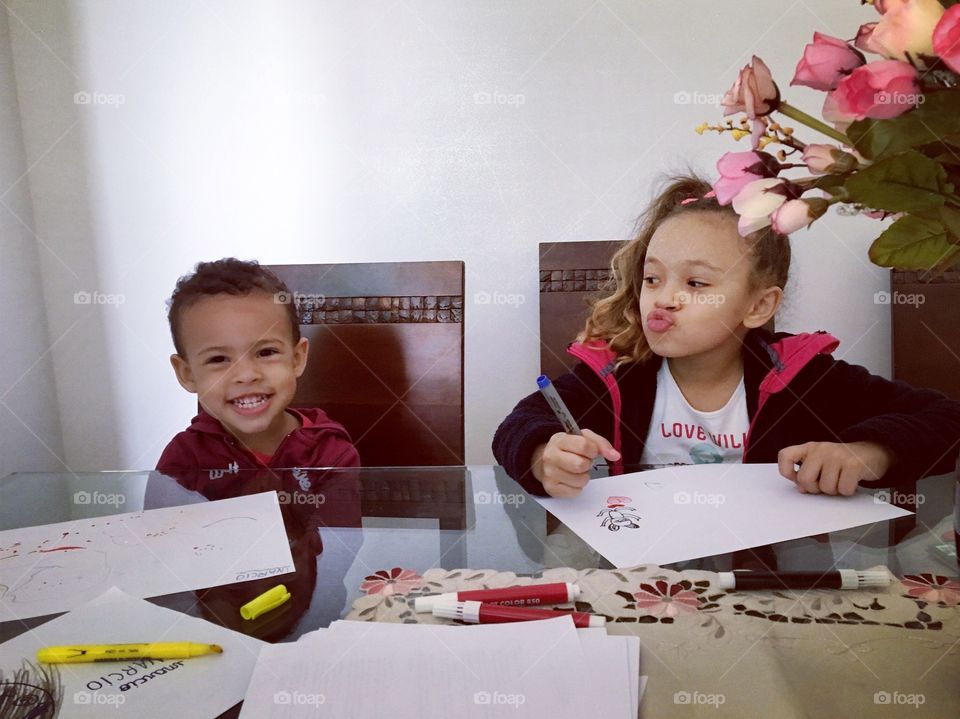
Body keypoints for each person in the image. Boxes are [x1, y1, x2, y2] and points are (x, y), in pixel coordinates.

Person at [493, 175, 960, 499]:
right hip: (642, 570)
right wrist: (541, 455)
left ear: (758, 306)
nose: (664, 299)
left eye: (696, 284)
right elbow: (515, 428)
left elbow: (945, 419)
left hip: (768, 578)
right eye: (653, 280)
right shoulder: (614, 372)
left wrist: (870, 453)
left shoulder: (803, 376)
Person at [156, 258, 360, 493]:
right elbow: (161, 529)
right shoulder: (183, 460)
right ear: (187, 374)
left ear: (297, 359)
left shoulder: (329, 453)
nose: (246, 375)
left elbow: (335, 531)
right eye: (219, 359)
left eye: (266, 352)